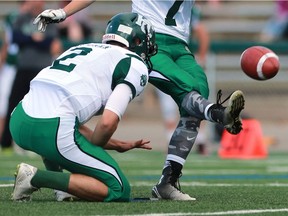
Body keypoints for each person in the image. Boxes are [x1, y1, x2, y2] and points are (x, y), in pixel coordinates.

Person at [33, 0, 245, 201]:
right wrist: (64, 12)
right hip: (147, 41)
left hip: (181, 45)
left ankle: (167, 182)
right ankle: (221, 114)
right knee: (187, 89)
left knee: (197, 97)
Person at [11, 12, 157, 202]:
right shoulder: (133, 63)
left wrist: (117, 145)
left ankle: (63, 190)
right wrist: (94, 149)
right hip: (52, 129)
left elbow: (67, 118)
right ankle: (36, 178)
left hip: (19, 119)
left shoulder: (81, 48)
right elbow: (107, 123)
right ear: (137, 40)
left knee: (64, 121)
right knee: (119, 189)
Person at [0, 0, 59, 154]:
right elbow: (16, 38)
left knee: (42, 107)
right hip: (23, 67)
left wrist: (30, 39)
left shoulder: (50, 17)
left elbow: (50, 42)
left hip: (42, 69)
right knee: (12, 103)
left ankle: (41, 145)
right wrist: (34, 38)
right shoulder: (22, 18)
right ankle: (6, 143)